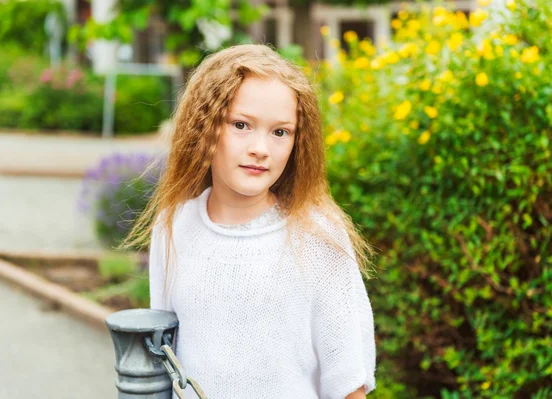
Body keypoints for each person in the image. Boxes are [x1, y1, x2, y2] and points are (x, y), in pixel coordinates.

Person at [120, 44, 377, 399]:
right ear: (205, 128)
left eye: (280, 132)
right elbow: (164, 358)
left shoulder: (317, 236)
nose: (261, 148)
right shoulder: (174, 225)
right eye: (241, 125)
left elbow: (348, 383)